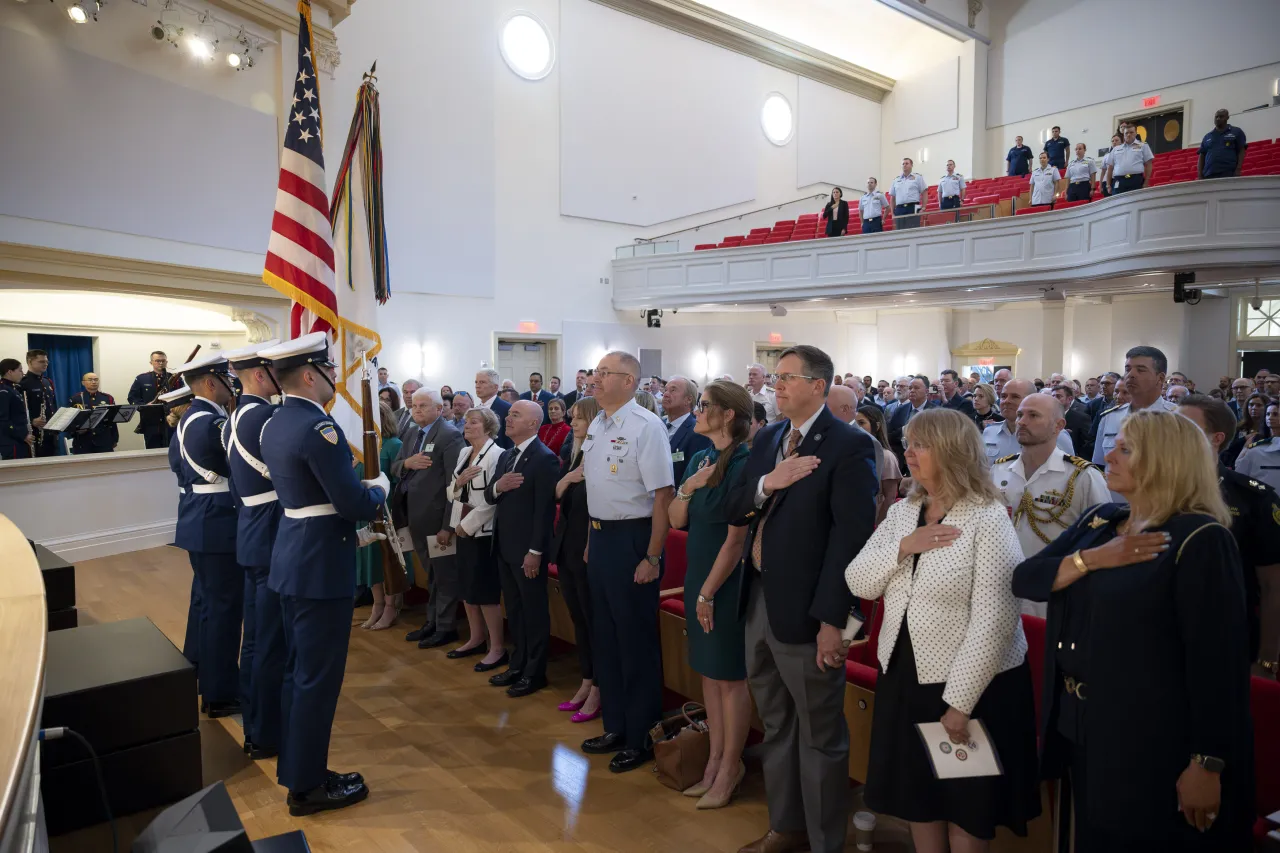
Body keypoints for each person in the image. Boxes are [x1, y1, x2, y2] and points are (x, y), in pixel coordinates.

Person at [1011, 409, 1254, 851]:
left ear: (1166, 460)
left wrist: (1208, 761)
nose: (1109, 454)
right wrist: (1092, 560)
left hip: (1149, 735)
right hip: (1079, 722)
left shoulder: (1197, 538)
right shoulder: (1102, 521)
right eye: (1115, 444)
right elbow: (1025, 578)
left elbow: (1217, 664)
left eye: (1126, 448)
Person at [846, 408, 1041, 849]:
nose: (908, 453)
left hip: (972, 683)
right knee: (920, 797)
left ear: (953, 451)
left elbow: (996, 618)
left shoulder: (986, 516)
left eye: (920, 445)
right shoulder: (904, 511)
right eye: (908, 442)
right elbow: (858, 579)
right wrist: (903, 547)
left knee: (966, 806)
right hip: (907, 674)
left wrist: (960, 703)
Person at [726, 345, 878, 853]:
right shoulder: (770, 436)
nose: (777, 385)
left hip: (811, 611)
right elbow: (736, 505)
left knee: (819, 735)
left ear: (819, 385)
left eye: (788, 377)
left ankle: (824, 842)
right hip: (760, 599)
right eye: (775, 377)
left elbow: (849, 541)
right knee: (775, 725)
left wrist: (833, 620)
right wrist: (769, 481)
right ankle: (784, 828)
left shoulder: (849, 445)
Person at [257, 333, 387, 816]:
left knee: (299, 675)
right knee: (317, 679)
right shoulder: (319, 428)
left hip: (294, 556)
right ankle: (308, 787)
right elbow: (351, 503)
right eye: (330, 370)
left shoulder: (275, 422)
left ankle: (299, 771)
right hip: (319, 565)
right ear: (311, 375)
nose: (336, 378)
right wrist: (378, 489)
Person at [578, 351, 675, 773]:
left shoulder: (645, 427)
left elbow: (662, 496)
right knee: (606, 638)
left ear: (630, 381)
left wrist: (653, 555)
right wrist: (588, 540)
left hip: (633, 540)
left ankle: (642, 736)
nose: (595, 379)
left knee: (634, 642)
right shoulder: (598, 423)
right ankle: (616, 725)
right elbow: (594, 490)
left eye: (605, 373)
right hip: (600, 538)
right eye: (595, 372)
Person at [667, 380, 753, 810]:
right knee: (708, 674)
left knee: (730, 677)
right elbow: (676, 518)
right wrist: (690, 486)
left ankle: (730, 766)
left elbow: (737, 540)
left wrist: (707, 593)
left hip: (725, 579)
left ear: (728, 415)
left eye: (705, 406)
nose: (698, 412)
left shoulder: (744, 461)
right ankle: (715, 758)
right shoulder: (701, 457)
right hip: (699, 573)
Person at [218, 340, 286, 759]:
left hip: (251, 527)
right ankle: (264, 731)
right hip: (271, 528)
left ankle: (256, 719)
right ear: (261, 374)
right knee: (270, 639)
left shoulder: (236, 415)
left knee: (258, 637)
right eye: (278, 371)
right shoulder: (264, 417)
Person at [1178, 394, 1280, 671]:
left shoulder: (1251, 498)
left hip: (1225, 636)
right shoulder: (1152, 489)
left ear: (1217, 438)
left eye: (1185, 427)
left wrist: (1268, 659)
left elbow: (1273, 585)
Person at [170, 351, 243, 719]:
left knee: (205, 602)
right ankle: (220, 692)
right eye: (229, 381)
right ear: (212, 383)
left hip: (199, 520)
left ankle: (198, 667)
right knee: (223, 609)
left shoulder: (189, 419)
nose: (233, 387)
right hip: (218, 524)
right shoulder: (210, 422)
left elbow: (175, 464)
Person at [992, 394, 1110, 617]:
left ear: (1059, 425)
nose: (1021, 421)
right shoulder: (999, 470)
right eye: (1019, 415)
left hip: (1053, 594)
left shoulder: (1081, 477)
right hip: (1001, 588)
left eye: (1033, 415)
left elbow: (1100, 539)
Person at [483, 400, 559, 698]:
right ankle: (518, 664)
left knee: (533, 612)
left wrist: (536, 552)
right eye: (509, 413)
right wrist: (498, 486)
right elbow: (491, 495)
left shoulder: (544, 458)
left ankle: (534, 672)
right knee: (513, 610)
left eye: (516, 414)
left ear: (533, 423)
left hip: (527, 550)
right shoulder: (507, 455)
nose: (508, 418)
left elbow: (543, 511)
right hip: (504, 545)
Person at [393, 387, 465, 649]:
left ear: (438, 409)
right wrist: (407, 464)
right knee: (430, 574)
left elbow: (454, 485)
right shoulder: (412, 432)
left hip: (437, 520)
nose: (417, 410)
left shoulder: (449, 435)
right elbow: (396, 466)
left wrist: (449, 525)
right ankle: (432, 621)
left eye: (423, 406)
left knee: (444, 575)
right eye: (414, 406)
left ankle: (445, 627)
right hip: (416, 518)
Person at [441, 407, 508, 672]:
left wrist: (467, 526)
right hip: (462, 527)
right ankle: (476, 638)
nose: (467, 425)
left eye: (474, 422)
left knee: (485, 591)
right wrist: (458, 485)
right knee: (467, 588)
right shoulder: (463, 452)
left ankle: (497, 647)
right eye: (466, 421)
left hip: (482, 531)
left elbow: (494, 500)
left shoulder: (497, 455)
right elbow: (451, 493)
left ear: (488, 427)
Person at [552, 398, 602, 722]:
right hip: (566, 546)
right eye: (572, 418)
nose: (573, 424)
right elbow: (556, 493)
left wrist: (588, 543)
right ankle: (586, 680)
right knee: (578, 619)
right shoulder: (577, 452)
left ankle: (598, 686)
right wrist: (568, 480)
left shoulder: (599, 453)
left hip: (585, 548)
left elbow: (597, 504)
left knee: (591, 620)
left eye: (579, 418)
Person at [1093, 346, 1179, 499]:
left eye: (1140, 370)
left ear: (1160, 378)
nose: (1130, 375)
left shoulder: (1178, 418)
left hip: (1160, 507)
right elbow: (1100, 466)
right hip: (1115, 505)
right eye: (1127, 369)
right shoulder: (1110, 418)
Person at [354, 401, 408, 631]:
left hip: (385, 512)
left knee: (386, 560)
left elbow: (400, 480)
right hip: (363, 510)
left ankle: (390, 606)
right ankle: (377, 605)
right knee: (370, 563)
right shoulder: (358, 447)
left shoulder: (393, 445)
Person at [984, 379, 1074, 464]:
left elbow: (1069, 471)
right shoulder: (990, 431)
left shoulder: (1054, 433)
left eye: (1015, 397)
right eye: (1003, 396)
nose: (1006, 401)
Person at [854, 405, 901, 526]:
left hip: (875, 518)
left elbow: (890, 497)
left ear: (877, 426)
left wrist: (880, 527)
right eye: (854, 423)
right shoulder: (852, 452)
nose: (857, 427)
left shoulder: (886, 457)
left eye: (861, 423)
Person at [664, 375, 712, 486]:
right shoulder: (658, 424)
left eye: (673, 390)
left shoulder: (697, 431)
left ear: (688, 399)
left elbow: (694, 474)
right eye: (666, 390)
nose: (665, 394)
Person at [128, 350, 175, 449]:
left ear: (167, 362)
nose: (161, 363)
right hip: (151, 421)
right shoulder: (142, 378)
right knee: (152, 451)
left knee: (172, 449)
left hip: (171, 420)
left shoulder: (174, 378)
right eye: (157, 361)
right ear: (151, 362)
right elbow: (132, 397)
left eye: (163, 360)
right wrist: (144, 407)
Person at [888, 377, 939, 465]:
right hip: (902, 457)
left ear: (926, 391)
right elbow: (890, 436)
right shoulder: (900, 410)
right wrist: (905, 429)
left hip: (927, 458)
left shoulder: (936, 412)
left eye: (916, 388)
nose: (912, 390)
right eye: (910, 388)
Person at [19, 349, 58, 457]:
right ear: (30, 362)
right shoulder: (23, 382)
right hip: (34, 434)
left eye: (46, 362)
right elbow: (17, 411)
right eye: (41, 361)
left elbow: (53, 405)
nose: (45, 364)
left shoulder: (47, 381)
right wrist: (31, 421)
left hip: (50, 433)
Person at [68, 373, 119, 454]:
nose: (93, 382)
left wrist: (115, 438)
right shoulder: (76, 398)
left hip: (104, 440)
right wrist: (76, 431)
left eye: (96, 380)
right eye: (90, 380)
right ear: (83, 383)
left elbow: (113, 420)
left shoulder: (107, 398)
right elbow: (70, 420)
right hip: (83, 441)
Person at [1237, 401, 1280, 491]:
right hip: (1262, 493)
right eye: (1268, 414)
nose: (1270, 417)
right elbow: (1240, 467)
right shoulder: (1256, 440)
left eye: (1275, 414)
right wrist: (1260, 487)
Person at [1104, 125, 1154, 195]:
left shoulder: (1143, 146)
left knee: (1136, 203)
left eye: (1131, 132)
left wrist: (1146, 182)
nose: (1128, 135)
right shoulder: (1116, 149)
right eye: (1126, 133)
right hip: (1119, 181)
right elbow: (1110, 168)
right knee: (1118, 204)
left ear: (1136, 133)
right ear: (1123, 134)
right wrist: (1108, 185)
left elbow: (1149, 164)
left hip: (1136, 180)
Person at [1199, 108, 1247, 180]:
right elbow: (1202, 156)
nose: (1218, 119)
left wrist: (1238, 169)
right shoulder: (1207, 136)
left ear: (1227, 118)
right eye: (1216, 117)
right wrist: (1200, 174)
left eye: (1221, 116)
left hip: (1229, 173)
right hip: (1209, 174)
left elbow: (1241, 150)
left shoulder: (1236, 131)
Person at [0, 358, 32, 459]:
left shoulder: (13, 389)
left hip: (19, 441)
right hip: (12, 443)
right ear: (10, 372)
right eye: (20, 370)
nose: (22, 373)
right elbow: (3, 420)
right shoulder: (3, 391)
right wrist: (23, 435)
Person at [474, 368, 513, 448]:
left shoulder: (507, 409)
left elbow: (509, 441)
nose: (477, 386)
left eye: (482, 382)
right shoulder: (475, 410)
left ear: (495, 387)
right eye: (476, 382)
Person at [1051, 384, 1093, 458]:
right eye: (1053, 396)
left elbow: (1087, 443)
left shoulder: (1081, 418)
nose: (1054, 399)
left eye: (1058, 396)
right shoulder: (1048, 417)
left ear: (1069, 399)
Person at [889, 158, 927, 230]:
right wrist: (892, 213)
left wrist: (923, 207)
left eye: (907, 163)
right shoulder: (896, 180)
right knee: (900, 233)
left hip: (913, 207)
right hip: (899, 209)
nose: (904, 165)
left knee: (913, 231)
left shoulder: (918, 177)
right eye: (903, 164)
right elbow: (892, 198)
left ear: (911, 165)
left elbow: (924, 192)